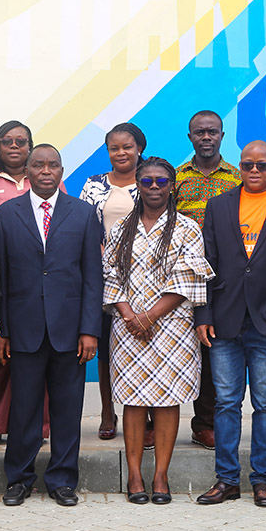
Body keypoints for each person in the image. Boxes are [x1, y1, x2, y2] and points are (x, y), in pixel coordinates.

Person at [194, 141, 266, 509]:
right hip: (225, 321)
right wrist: (203, 315)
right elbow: (206, 265)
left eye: (262, 165)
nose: (255, 171)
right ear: (240, 167)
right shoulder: (219, 205)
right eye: (248, 165)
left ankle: (262, 481)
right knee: (226, 404)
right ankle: (227, 480)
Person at [0, 144, 103, 508]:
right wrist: (4, 331)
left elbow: (93, 277)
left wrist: (89, 330)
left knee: (67, 408)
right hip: (24, 329)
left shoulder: (84, 214)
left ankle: (62, 480)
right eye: (38, 165)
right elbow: (2, 277)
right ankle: (19, 479)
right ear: (27, 170)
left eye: (52, 165)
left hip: (70, 331)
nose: (45, 171)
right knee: (23, 408)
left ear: (61, 170)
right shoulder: (7, 214)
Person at [103, 157, 215, 505]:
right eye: (147, 181)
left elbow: (188, 278)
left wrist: (148, 316)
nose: (154, 187)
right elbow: (110, 275)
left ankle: (161, 475)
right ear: (137, 183)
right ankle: (135, 475)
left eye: (161, 181)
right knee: (134, 400)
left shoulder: (186, 228)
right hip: (128, 326)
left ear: (172, 185)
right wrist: (129, 314)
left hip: (171, 327)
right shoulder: (121, 228)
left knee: (167, 400)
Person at [0, 120, 50, 449]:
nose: (14, 146)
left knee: (38, 354)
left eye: (21, 141)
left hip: (36, 280)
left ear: (31, 147)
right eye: (7, 141)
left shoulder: (44, 180)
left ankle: (40, 426)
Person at [174, 110, 242, 450]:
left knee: (213, 346)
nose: (206, 137)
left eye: (212, 132)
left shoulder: (237, 177)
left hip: (223, 277)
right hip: (182, 276)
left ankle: (206, 424)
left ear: (222, 135)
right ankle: (167, 421)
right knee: (177, 349)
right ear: (190, 137)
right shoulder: (175, 177)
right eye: (199, 132)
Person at [78, 123, 145, 441]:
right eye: (114, 148)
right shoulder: (93, 184)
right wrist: (101, 253)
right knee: (106, 348)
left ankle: (144, 412)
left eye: (127, 147)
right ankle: (108, 412)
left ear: (139, 149)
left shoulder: (151, 180)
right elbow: (83, 226)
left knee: (142, 344)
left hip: (144, 278)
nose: (121, 153)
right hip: (102, 277)